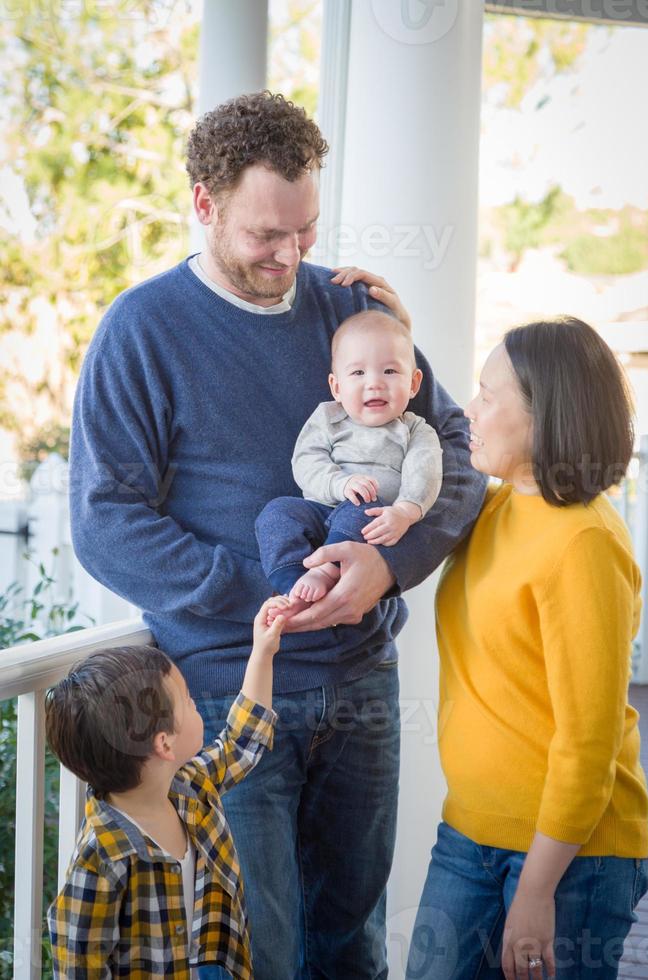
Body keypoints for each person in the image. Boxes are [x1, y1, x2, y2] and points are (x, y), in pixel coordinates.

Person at [69, 90, 487, 978]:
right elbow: (107, 523)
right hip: (228, 695)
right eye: (267, 234)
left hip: (362, 683)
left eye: (305, 230)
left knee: (352, 945)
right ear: (204, 204)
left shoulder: (349, 311)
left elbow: (457, 448)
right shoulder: (140, 330)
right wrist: (270, 597)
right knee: (255, 953)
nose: (290, 254)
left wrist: (388, 563)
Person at [408, 317, 648, 980]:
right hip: (470, 836)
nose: (468, 409)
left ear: (548, 415)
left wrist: (537, 890)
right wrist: (392, 324)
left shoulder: (585, 544)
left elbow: (588, 740)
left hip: (570, 858)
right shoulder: (495, 506)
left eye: (489, 396)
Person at [46, 594, 289, 979]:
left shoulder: (187, 787)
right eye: (189, 702)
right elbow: (78, 965)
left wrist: (263, 651)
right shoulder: (102, 856)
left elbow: (242, 742)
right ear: (164, 744)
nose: (195, 706)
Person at [255, 310, 443, 618]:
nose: (374, 384)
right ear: (336, 387)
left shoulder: (415, 431)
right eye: (358, 374)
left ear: (414, 382)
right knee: (277, 513)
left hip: (370, 516)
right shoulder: (328, 418)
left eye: (390, 372)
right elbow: (306, 461)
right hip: (321, 508)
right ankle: (291, 584)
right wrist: (340, 483)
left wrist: (405, 512)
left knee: (363, 507)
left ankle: (327, 569)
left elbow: (424, 473)